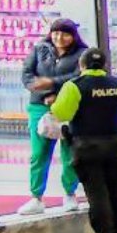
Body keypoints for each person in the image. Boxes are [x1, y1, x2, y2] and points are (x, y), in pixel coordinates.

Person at [49, 48, 117, 233]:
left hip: (87, 148)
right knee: (115, 194)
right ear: (104, 66)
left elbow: (61, 112)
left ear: (82, 66)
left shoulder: (74, 86)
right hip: (115, 147)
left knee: (97, 195)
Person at [18, 18, 87, 216]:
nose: (59, 37)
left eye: (65, 33)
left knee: (70, 152)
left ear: (73, 35)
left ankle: (70, 194)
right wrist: (41, 90)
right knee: (39, 153)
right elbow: (27, 74)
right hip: (39, 107)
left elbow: (79, 77)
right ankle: (36, 197)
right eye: (56, 32)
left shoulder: (82, 54)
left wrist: (53, 86)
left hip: (69, 108)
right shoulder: (40, 48)